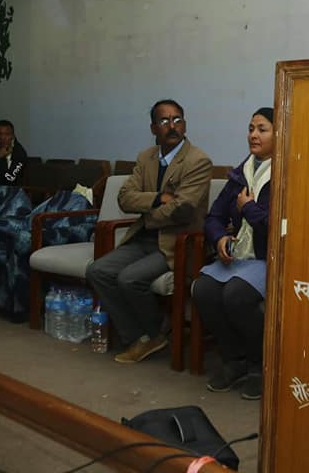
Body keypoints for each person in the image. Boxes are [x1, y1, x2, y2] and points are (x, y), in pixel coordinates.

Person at [86, 99, 212, 363]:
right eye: (164, 121)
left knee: (129, 278)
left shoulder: (198, 160)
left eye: (177, 119)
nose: (172, 126)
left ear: (185, 124)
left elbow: (183, 209)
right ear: (154, 128)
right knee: (98, 270)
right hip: (142, 239)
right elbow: (125, 198)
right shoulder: (146, 157)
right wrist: (157, 198)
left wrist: (148, 214)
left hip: (177, 243)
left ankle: (153, 333)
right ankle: (141, 336)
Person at [193, 108, 273, 400]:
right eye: (251, 128)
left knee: (236, 295)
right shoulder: (240, 174)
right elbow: (213, 216)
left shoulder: (289, 173)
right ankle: (233, 361)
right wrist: (220, 238)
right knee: (202, 289)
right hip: (238, 257)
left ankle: (258, 367)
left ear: (281, 134)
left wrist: (248, 208)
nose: (253, 135)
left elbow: (278, 227)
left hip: (269, 258)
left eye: (262, 129)